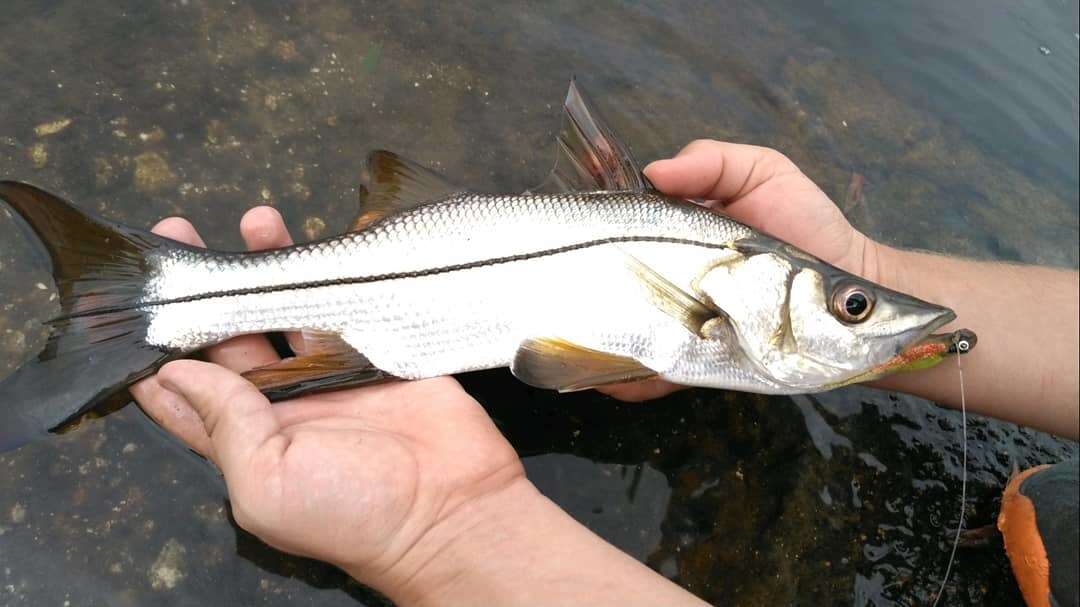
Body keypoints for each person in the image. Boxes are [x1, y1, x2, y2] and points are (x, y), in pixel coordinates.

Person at [131, 140, 1080, 606]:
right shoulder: (722, 298)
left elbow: (558, 360)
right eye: (851, 306)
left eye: (852, 304)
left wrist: (446, 536)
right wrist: (879, 282)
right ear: (738, 294)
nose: (859, 312)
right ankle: (178, 296)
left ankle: (179, 298)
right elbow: (558, 361)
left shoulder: (730, 298)